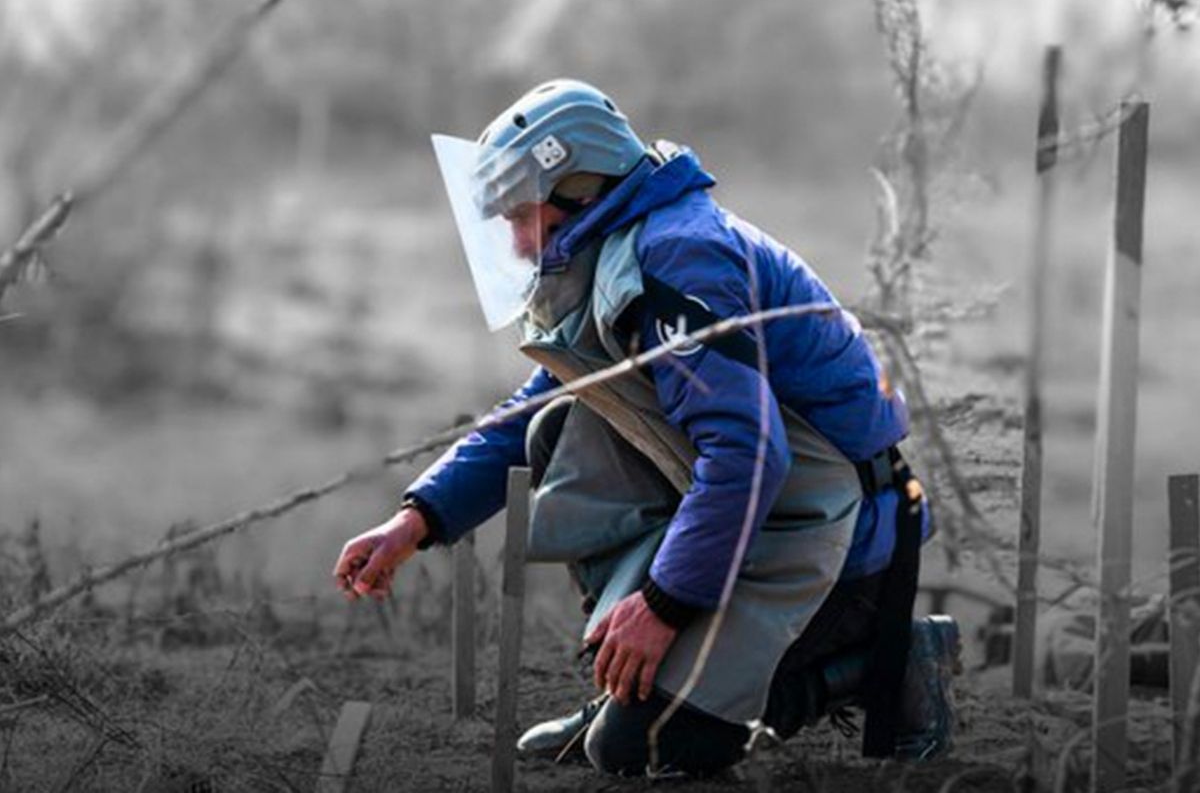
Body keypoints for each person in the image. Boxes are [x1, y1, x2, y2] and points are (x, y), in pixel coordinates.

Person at [332, 79, 959, 777]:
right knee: (560, 424)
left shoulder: (681, 260)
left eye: (520, 216)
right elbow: (537, 406)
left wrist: (661, 606)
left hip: (838, 534)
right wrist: (414, 520)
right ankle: (630, 685)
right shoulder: (623, 247)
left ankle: (884, 660)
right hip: (764, 511)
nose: (513, 244)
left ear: (580, 190)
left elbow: (749, 454)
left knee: (648, 749)